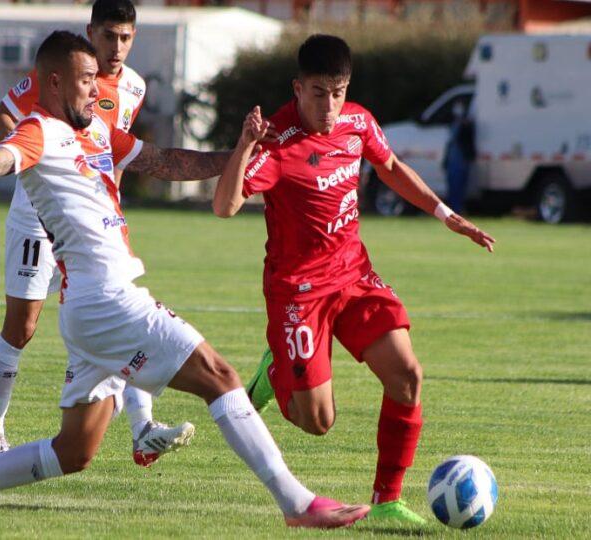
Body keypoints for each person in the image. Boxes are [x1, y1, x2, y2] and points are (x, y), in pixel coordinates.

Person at [0, 31, 371, 529]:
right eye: (84, 81)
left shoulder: (97, 130)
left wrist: (244, 151)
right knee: (221, 378)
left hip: (89, 308)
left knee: (72, 452)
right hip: (108, 302)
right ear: (54, 83)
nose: (95, 89)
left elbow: (165, 162)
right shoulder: (37, 130)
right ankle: (297, 503)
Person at [212, 34, 495, 525]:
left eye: (338, 91)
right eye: (319, 92)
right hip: (298, 292)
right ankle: (274, 372)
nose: (329, 104)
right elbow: (225, 206)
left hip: (353, 275)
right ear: (297, 88)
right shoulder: (276, 142)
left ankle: (387, 501)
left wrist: (445, 213)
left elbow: (390, 166)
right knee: (317, 422)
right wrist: (244, 144)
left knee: (407, 375)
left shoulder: (357, 121)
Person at [0, 0, 192, 467]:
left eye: (126, 37)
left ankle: (143, 429)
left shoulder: (133, 86)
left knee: (122, 309)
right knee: (22, 328)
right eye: (109, 36)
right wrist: (41, 166)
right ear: (91, 32)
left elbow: (115, 153)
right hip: (37, 217)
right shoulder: (57, 75)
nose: (117, 47)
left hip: (95, 228)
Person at [443, 99, 475, 214]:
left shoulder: (466, 125)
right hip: (453, 162)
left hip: (461, 161)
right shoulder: (453, 124)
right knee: (452, 187)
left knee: (459, 187)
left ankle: (458, 209)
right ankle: (453, 209)